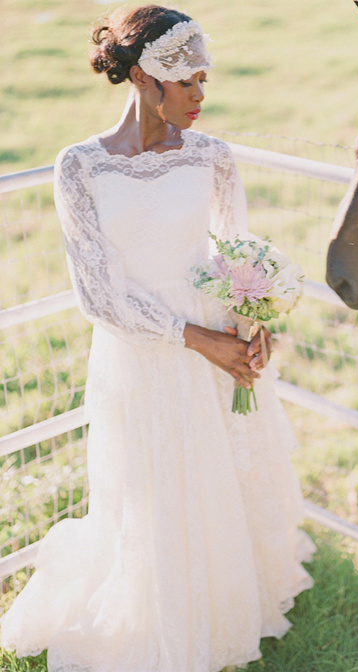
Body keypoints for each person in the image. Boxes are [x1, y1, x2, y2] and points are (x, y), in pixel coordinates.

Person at [0, 6, 314, 671]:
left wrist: (253, 328)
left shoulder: (214, 157)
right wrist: (196, 339)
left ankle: (232, 595)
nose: (202, 96)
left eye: (205, 80)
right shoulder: (80, 168)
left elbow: (238, 253)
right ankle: (165, 612)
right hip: (143, 354)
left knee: (224, 473)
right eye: (189, 82)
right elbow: (99, 295)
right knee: (154, 492)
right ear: (144, 76)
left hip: (218, 345)